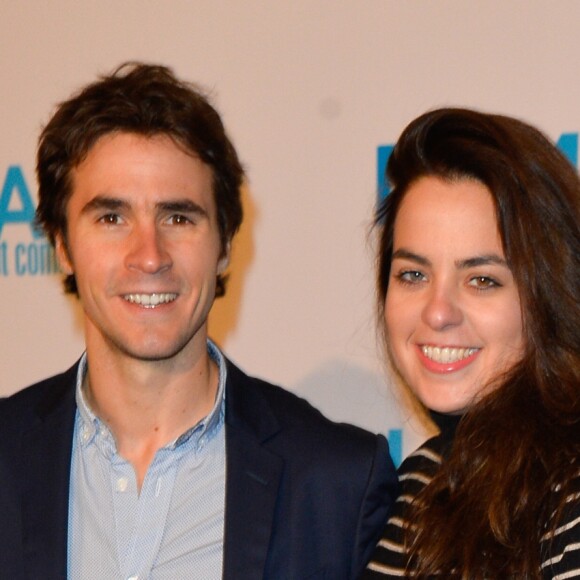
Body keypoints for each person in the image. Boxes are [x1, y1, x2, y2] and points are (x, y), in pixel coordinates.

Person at [0, 62, 398, 580]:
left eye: (179, 217)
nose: (149, 255)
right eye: (112, 218)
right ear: (62, 246)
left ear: (225, 245)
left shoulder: (337, 484)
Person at [362, 108, 580, 579]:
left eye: (482, 280)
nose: (437, 312)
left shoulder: (571, 493)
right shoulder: (421, 480)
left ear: (550, 295)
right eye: (413, 274)